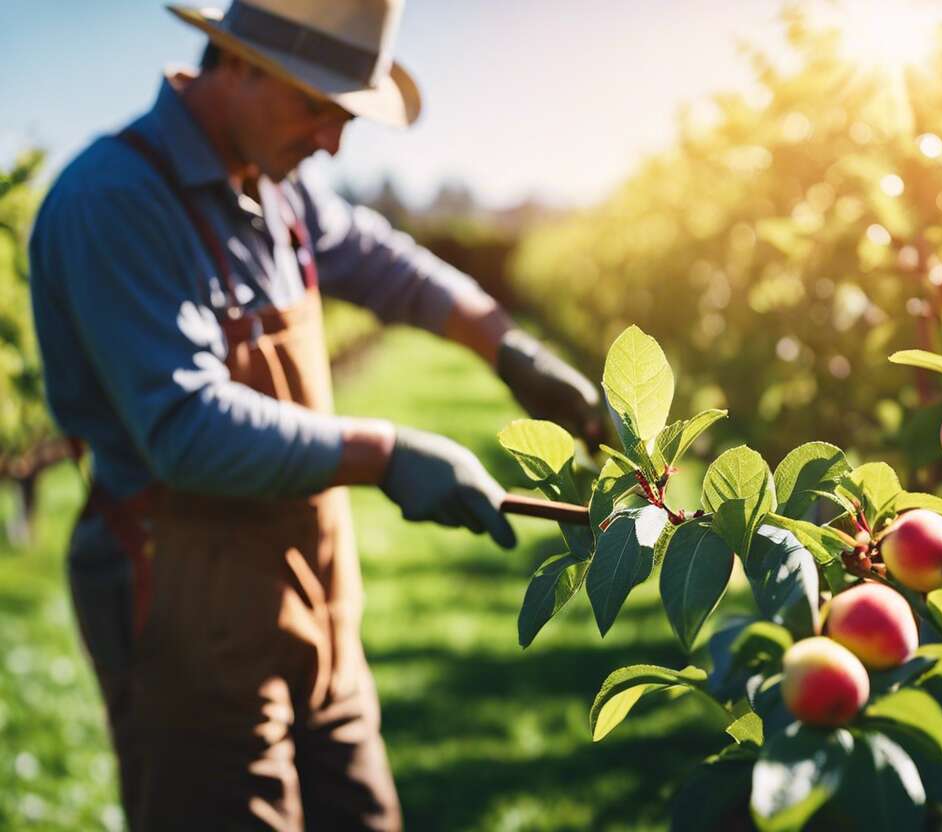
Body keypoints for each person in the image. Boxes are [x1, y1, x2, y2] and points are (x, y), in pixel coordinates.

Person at [28, 1, 604, 829]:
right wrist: (386, 454)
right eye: (318, 108)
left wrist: (511, 351)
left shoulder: (276, 183)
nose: (333, 141)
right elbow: (184, 430)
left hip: (315, 601)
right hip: (184, 609)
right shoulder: (117, 201)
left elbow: (385, 264)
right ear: (240, 65)